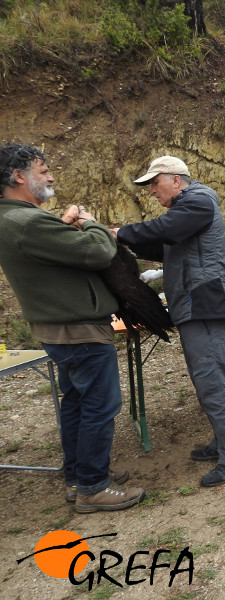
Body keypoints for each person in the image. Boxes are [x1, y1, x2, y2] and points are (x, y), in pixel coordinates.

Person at [0, 143, 145, 513]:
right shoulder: (30, 221)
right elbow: (97, 252)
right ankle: (93, 489)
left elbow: (48, 253)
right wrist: (89, 221)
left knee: (78, 404)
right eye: (43, 170)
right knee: (99, 405)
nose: (51, 177)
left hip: (57, 328)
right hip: (77, 329)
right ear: (18, 176)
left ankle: (77, 478)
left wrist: (62, 225)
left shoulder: (13, 219)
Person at [113, 156, 225, 487]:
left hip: (203, 304)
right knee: (207, 380)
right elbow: (164, 243)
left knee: (211, 381)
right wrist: (125, 241)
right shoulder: (185, 214)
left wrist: (120, 232)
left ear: (175, 179)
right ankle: (223, 442)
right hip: (194, 305)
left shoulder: (200, 201)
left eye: (154, 183)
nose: (151, 192)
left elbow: (165, 230)